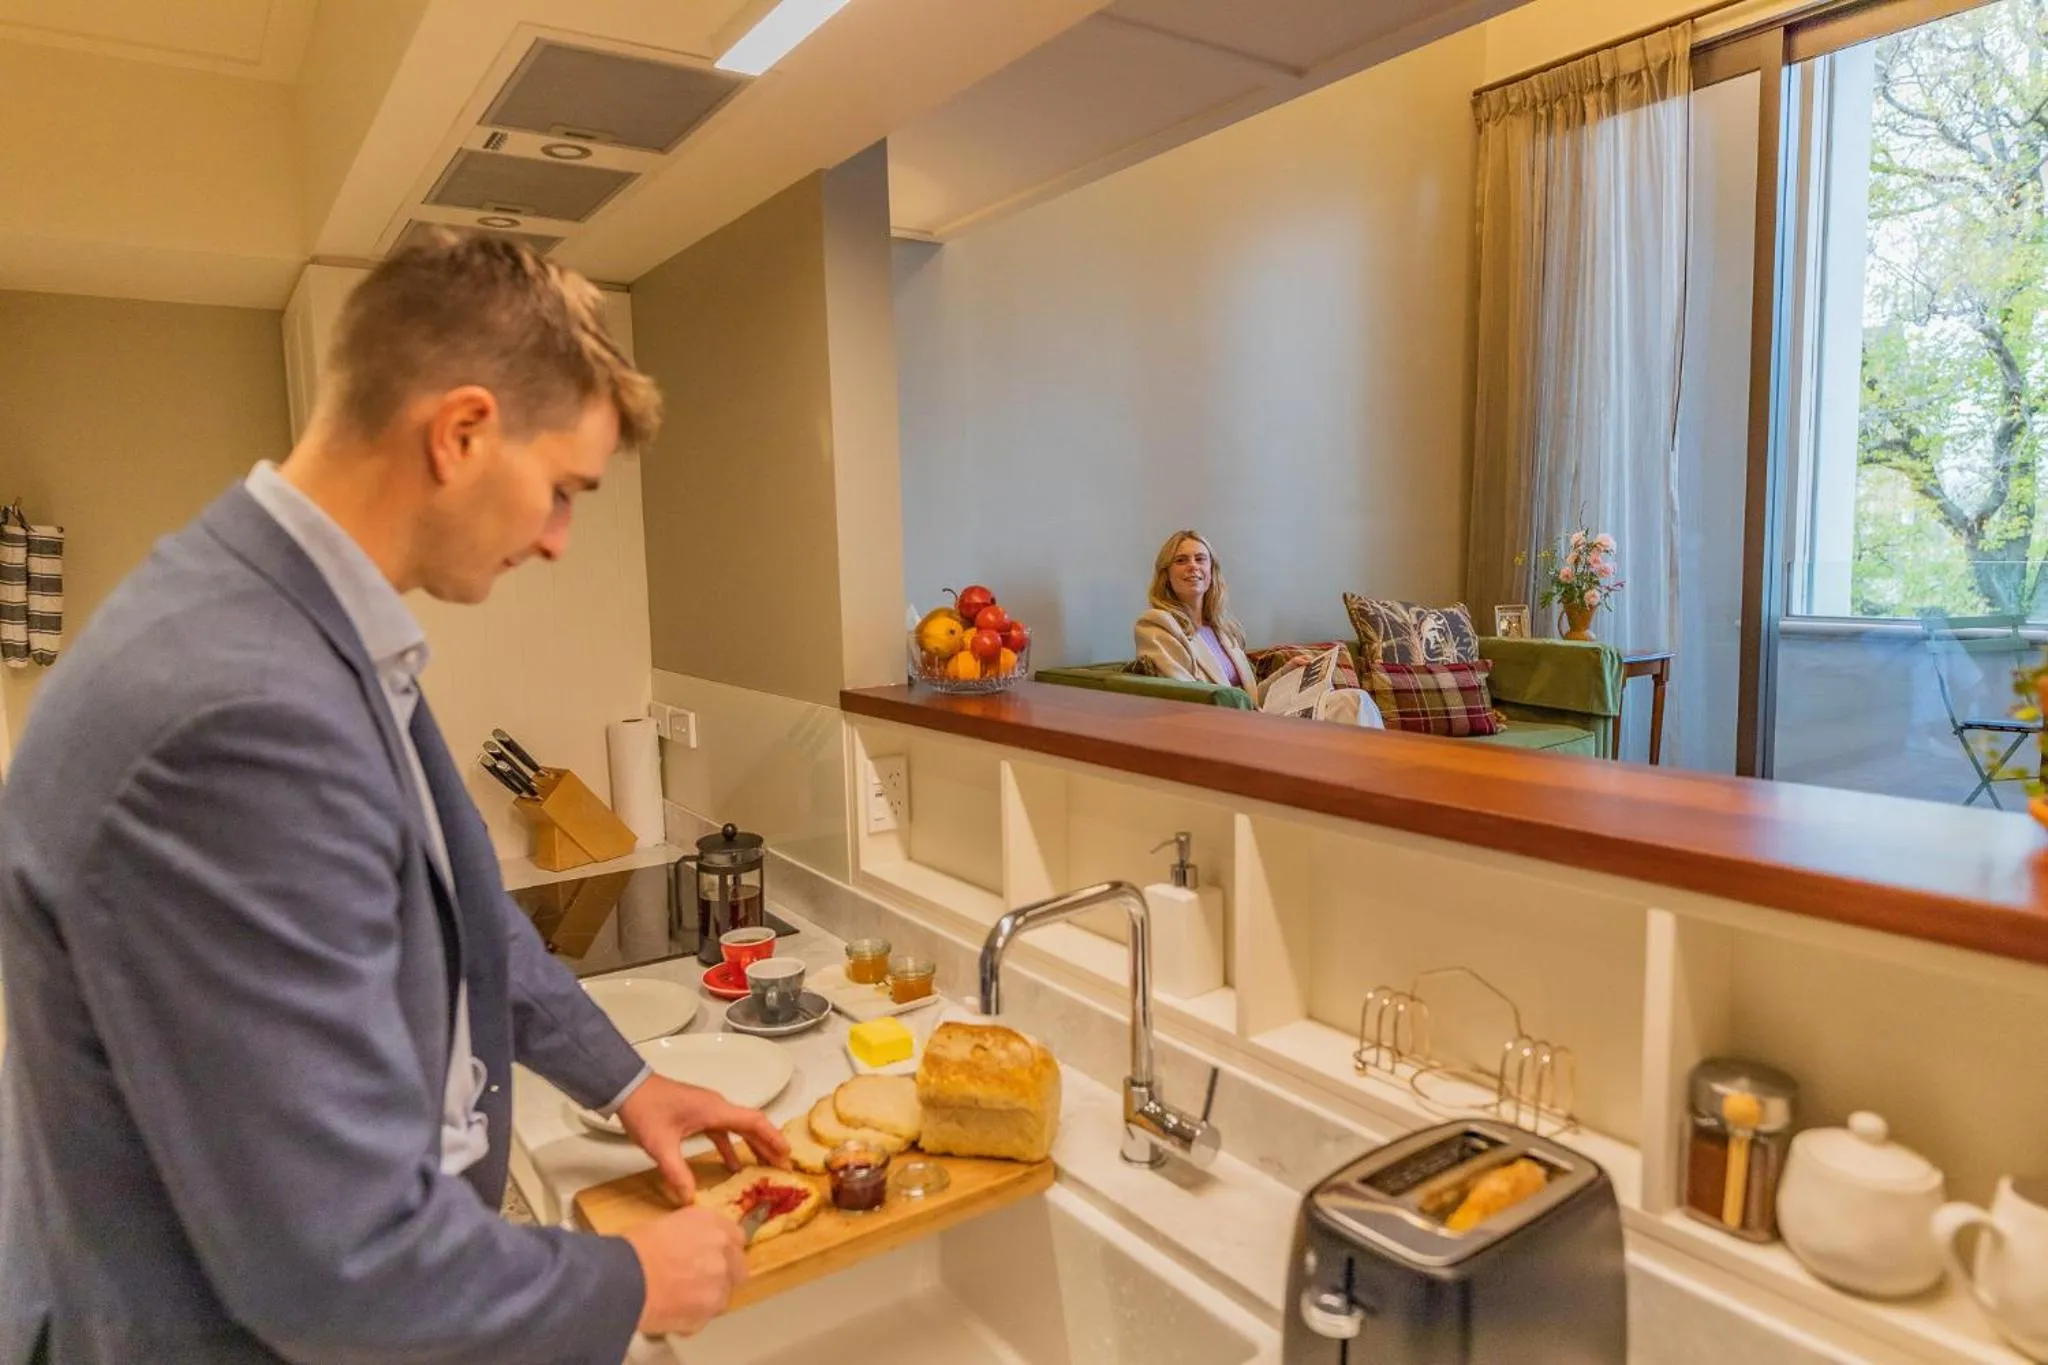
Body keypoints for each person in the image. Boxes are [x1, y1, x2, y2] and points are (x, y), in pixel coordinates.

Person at [0, 233, 790, 1365]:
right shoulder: (236, 711)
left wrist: (627, 1083)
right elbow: (337, 1268)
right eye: (562, 491)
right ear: (461, 432)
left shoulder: (307, 626)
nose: (559, 541)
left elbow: (467, 914)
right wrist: (632, 1280)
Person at [1134, 529, 1383, 727]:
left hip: (1254, 718)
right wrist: (1251, 711)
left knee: (1352, 700)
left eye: (1200, 559)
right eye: (1181, 560)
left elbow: (1249, 698)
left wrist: (1285, 672)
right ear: (1166, 574)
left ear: (1211, 570)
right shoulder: (1157, 624)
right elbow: (1183, 694)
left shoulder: (1224, 630)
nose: (1193, 566)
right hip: (1218, 726)